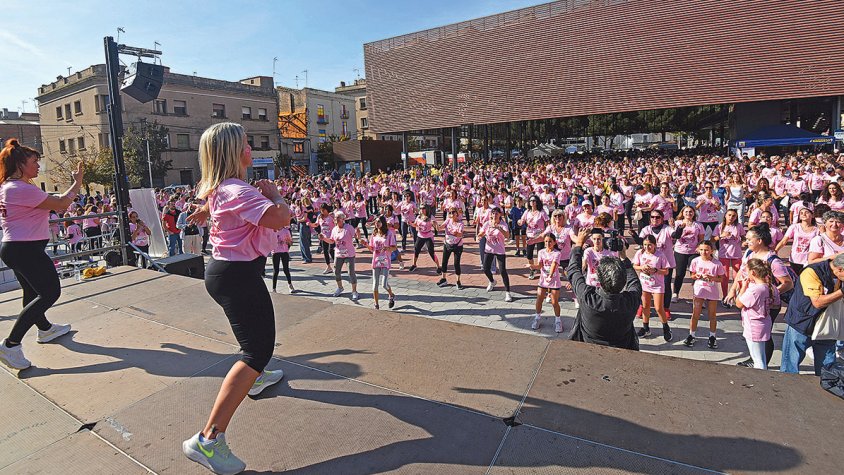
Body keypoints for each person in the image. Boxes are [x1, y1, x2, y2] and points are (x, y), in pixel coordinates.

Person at [182, 122, 290, 475]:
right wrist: (275, 194)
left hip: (229, 273)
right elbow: (280, 218)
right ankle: (208, 439)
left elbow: (223, 211)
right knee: (257, 351)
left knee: (253, 344)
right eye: (246, 142)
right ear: (233, 151)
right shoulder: (236, 190)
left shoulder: (223, 189)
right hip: (237, 277)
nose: (251, 147)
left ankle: (254, 378)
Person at [0, 139, 82, 371]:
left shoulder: (9, 186)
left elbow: (53, 204)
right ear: (20, 164)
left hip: (17, 248)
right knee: (50, 292)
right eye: (35, 162)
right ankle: (11, 344)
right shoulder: (20, 189)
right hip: (25, 249)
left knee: (31, 292)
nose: (38, 166)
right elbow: (61, 204)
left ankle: (45, 329)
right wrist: (77, 183)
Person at [567, 228, 641, 350]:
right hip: (622, 349)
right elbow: (634, 282)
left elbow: (574, 271)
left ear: (600, 280)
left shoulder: (588, 298)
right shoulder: (630, 301)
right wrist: (623, 256)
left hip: (589, 347)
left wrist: (578, 244)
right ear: (623, 282)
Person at [779, 253, 844, 375]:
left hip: (827, 325)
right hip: (802, 322)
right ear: (839, 269)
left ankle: (825, 388)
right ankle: (786, 390)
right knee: (790, 366)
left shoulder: (839, 275)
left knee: (827, 368)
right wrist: (842, 292)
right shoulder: (812, 272)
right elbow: (818, 302)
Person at [735, 258, 779, 370]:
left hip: (754, 325)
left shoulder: (756, 290)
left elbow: (739, 303)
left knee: (757, 358)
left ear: (753, 272)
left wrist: (743, 287)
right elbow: (776, 304)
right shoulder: (771, 287)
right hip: (765, 322)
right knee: (761, 355)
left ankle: (760, 379)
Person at [633, 234, 673, 341]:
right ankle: (646, 328)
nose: (647, 247)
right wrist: (642, 267)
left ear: (655, 245)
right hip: (644, 284)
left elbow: (666, 271)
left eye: (649, 245)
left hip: (657, 285)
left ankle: (666, 327)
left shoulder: (660, 255)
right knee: (645, 306)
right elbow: (635, 266)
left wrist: (655, 270)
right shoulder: (640, 253)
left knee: (659, 308)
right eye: (645, 245)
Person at [685, 241, 724, 348]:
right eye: (701, 250)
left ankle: (712, 336)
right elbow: (692, 275)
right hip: (699, 291)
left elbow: (721, 278)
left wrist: (712, 278)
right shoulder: (695, 261)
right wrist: (697, 276)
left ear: (712, 251)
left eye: (706, 250)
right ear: (698, 249)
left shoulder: (717, 264)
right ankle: (691, 335)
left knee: (712, 315)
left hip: (712, 292)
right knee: (695, 313)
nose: (704, 252)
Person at [478, 207, 513, 302]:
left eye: (496, 213)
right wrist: (479, 236)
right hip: (489, 249)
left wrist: (499, 228)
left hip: (499, 250)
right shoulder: (487, 224)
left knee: (502, 270)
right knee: (485, 268)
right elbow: (481, 232)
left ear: (500, 215)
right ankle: (492, 281)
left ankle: (508, 293)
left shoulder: (503, 224)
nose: (494, 215)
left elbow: (507, 235)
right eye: (493, 213)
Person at [323, 210, 361, 300]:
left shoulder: (348, 227)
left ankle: (354, 291)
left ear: (342, 219)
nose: (335, 219)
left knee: (351, 273)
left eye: (337, 218)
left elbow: (356, 236)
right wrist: (324, 238)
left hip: (349, 254)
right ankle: (340, 288)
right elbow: (332, 241)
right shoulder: (334, 229)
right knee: (336, 272)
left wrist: (358, 234)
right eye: (335, 218)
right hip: (339, 254)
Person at [670, 206, 704, 302]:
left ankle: (697, 295)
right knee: (680, 273)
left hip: (694, 252)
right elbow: (674, 236)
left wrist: (699, 247)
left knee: (695, 274)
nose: (688, 213)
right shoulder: (678, 223)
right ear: (682, 213)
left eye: (690, 212)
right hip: (680, 251)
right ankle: (675, 293)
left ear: (694, 213)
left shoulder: (698, 225)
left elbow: (701, 238)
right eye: (686, 212)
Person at [532, 233, 564, 333]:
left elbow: (554, 265)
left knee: (554, 302)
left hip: (554, 281)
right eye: (546, 241)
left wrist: (550, 275)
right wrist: (532, 266)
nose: (547, 243)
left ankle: (558, 321)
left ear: (554, 242)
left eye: (550, 241)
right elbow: (540, 265)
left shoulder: (557, 253)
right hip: (543, 281)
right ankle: (537, 318)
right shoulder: (541, 252)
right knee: (539, 299)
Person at [713, 209, 744, 306]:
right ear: (725, 216)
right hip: (724, 254)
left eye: (733, 216)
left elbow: (744, 237)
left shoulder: (738, 226)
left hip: (736, 253)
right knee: (724, 276)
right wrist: (721, 236)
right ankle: (725, 296)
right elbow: (713, 239)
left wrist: (743, 242)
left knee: (737, 276)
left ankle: (735, 295)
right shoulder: (720, 226)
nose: (731, 217)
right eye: (729, 215)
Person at [365, 215, 396, 309]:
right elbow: (372, 248)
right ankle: (376, 304)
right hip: (376, 261)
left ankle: (391, 295)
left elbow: (394, 247)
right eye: (376, 222)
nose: (376, 223)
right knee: (375, 285)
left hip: (385, 261)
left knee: (384, 284)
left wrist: (388, 248)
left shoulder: (389, 233)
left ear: (383, 223)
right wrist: (365, 244)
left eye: (378, 222)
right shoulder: (374, 235)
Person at [407, 204, 440, 272]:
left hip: (428, 236)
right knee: (416, 250)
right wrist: (410, 223)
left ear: (427, 209)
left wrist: (434, 223)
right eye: (421, 208)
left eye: (423, 208)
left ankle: (438, 266)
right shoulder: (419, 216)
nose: (422, 210)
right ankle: (414, 265)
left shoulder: (430, 217)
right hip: (420, 236)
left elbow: (436, 226)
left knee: (431, 252)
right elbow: (415, 224)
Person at [438, 208, 465, 289]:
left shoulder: (460, 223)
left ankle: (458, 281)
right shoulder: (448, 220)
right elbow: (440, 228)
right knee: (444, 262)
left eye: (453, 212)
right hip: (447, 244)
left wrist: (456, 234)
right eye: (450, 212)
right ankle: (443, 279)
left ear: (457, 213)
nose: (451, 214)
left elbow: (461, 234)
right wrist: (435, 224)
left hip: (458, 246)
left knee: (456, 264)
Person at [271, 225, 294, 293]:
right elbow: (269, 241)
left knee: (286, 269)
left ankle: (290, 285)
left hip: (284, 251)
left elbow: (290, 242)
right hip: (275, 252)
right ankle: (274, 288)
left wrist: (287, 241)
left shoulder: (286, 231)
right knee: (276, 270)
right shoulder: (272, 231)